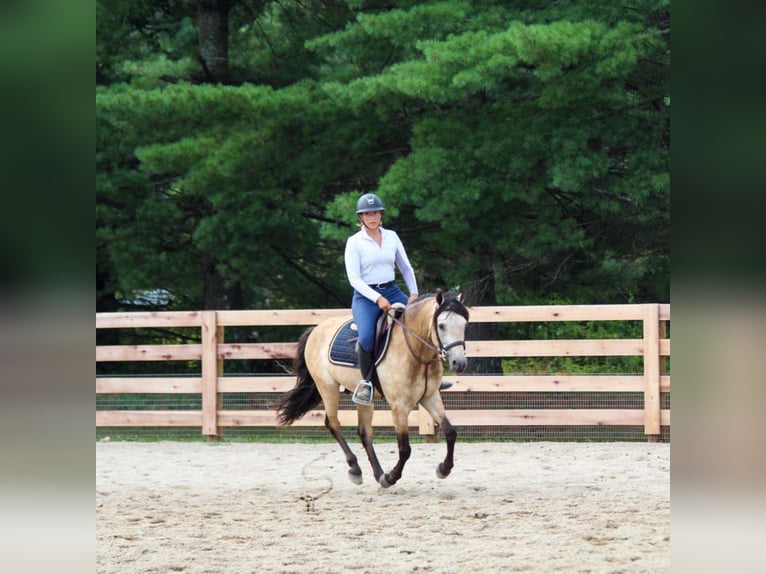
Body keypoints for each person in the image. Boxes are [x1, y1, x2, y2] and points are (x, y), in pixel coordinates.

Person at [344, 193, 419, 404]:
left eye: (375, 212)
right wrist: (377, 298)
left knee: (420, 323)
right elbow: (354, 279)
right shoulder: (354, 243)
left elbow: (405, 267)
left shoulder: (392, 237)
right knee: (367, 337)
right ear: (361, 217)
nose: (372, 217)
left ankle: (427, 375)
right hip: (365, 296)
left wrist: (413, 293)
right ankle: (366, 383)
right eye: (367, 214)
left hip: (393, 290)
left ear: (381, 214)